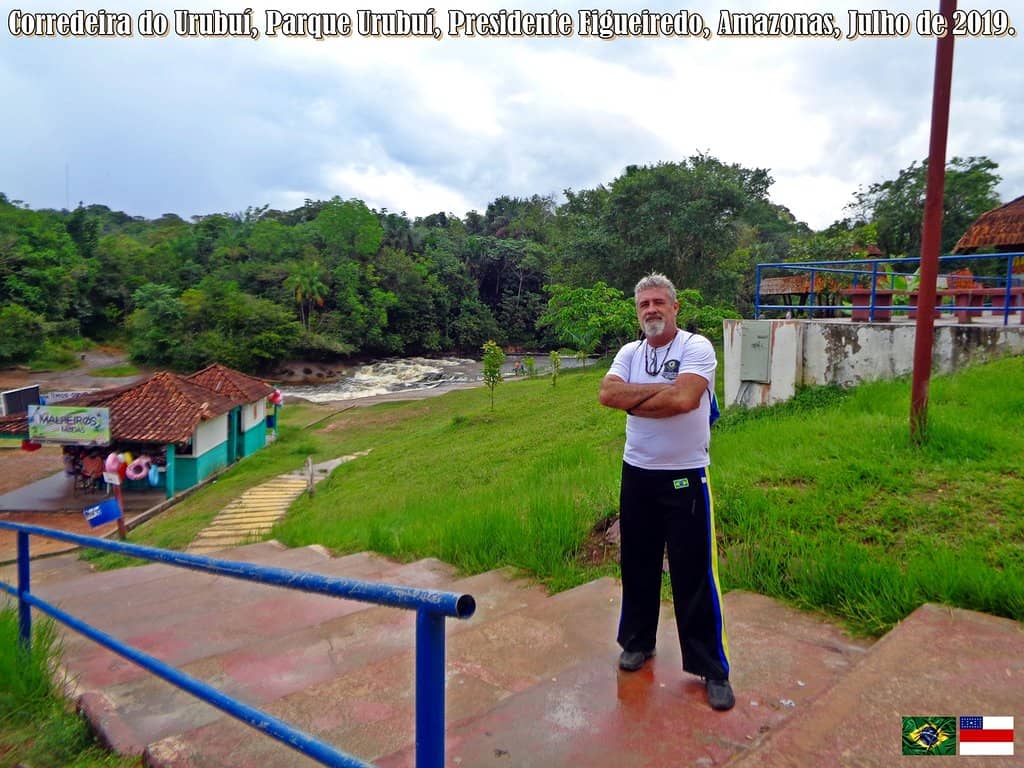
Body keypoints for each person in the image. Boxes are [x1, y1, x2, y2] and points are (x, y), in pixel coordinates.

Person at [598, 272, 734, 711]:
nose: (651, 309)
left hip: (686, 475)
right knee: (636, 562)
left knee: (693, 572)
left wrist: (637, 398)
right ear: (637, 313)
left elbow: (685, 400)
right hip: (636, 473)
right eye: (644, 305)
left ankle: (711, 667)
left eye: (659, 302)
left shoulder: (697, 347)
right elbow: (606, 395)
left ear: (675, 307)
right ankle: (637, 642)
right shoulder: (628, 352)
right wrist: (662, 391)